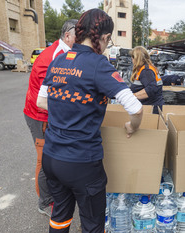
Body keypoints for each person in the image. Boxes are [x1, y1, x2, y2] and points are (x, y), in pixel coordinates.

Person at [37, 9, 143, 233]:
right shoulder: (98, 65)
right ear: (104, 38)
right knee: (93, 224)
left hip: (52, 157)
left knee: (60, 217)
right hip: (81, 162)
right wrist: (131, 126)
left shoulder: (58, 60)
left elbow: (41, 101)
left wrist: (68, 109)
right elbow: (135, 107)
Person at [23, 19, 78, 217]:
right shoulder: (55, 57)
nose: (81, 41)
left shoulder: (66, 53)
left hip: (49, 113)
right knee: (45, 159)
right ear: (67, 36)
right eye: (77, 37)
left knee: (54, 157)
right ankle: (45, 202)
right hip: (40, 115)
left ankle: (56, 193)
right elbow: (51, 96)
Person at [130, 46, 164, 114]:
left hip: (151, 109)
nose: (132, 60)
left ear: (136, 58)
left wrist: (132, 96)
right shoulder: (147, 68)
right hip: (151, 106)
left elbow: (151, 88)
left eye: (132, 58)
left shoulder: (146, 71)